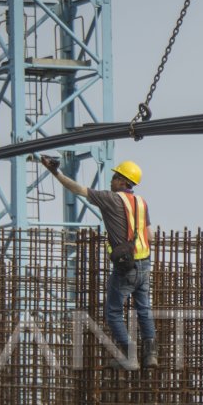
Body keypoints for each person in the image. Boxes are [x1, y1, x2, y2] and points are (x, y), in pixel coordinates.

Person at [40, 155, 157, 370]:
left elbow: (76, 189)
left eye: (114, 177)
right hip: (145, 264)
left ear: (123, 181)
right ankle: (150, 356)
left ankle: (130, 356)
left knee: (113, 312)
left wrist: (55, 173)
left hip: (126, 267)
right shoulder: (142, 202)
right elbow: (150, 236)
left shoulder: (110, 199)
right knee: (144, 309)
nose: (111, 181)